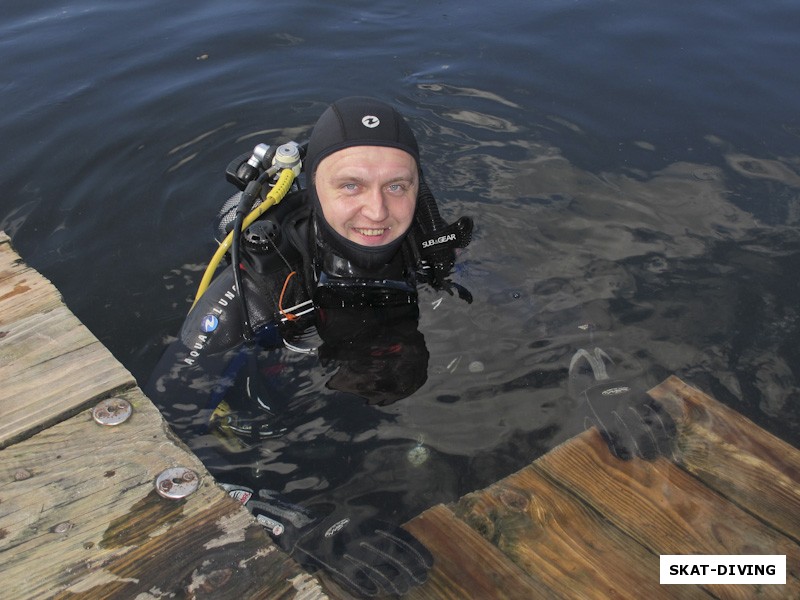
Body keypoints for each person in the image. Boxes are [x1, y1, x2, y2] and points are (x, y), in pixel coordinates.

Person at [147, 97, 473, 597]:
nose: (378, 211)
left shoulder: (425, 242)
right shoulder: (256, 283)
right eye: (350, 185)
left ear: (417, 186)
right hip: (280, 424)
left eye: (397, 185)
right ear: (314, 188)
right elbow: (160, 431)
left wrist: (596, 380)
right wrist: (293, 523)